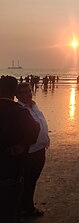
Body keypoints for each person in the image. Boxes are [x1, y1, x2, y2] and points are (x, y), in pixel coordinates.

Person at [0, 76, 40, 223]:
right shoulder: (19, 111)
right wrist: (23, 145)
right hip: (12, 167)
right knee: (10, 209)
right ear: (14, 92)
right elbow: (35, 129)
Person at [16, 82, 50, 218]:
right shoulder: (20, 110)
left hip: (41, 150)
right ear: (17, 95)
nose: (29, 94)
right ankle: (26, 209)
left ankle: (26, 207)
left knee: (33, 181)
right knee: (27, 182)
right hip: (30, 153)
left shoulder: (34, 106)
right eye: (25, 92)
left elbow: (41, 124)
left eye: (29, 91)